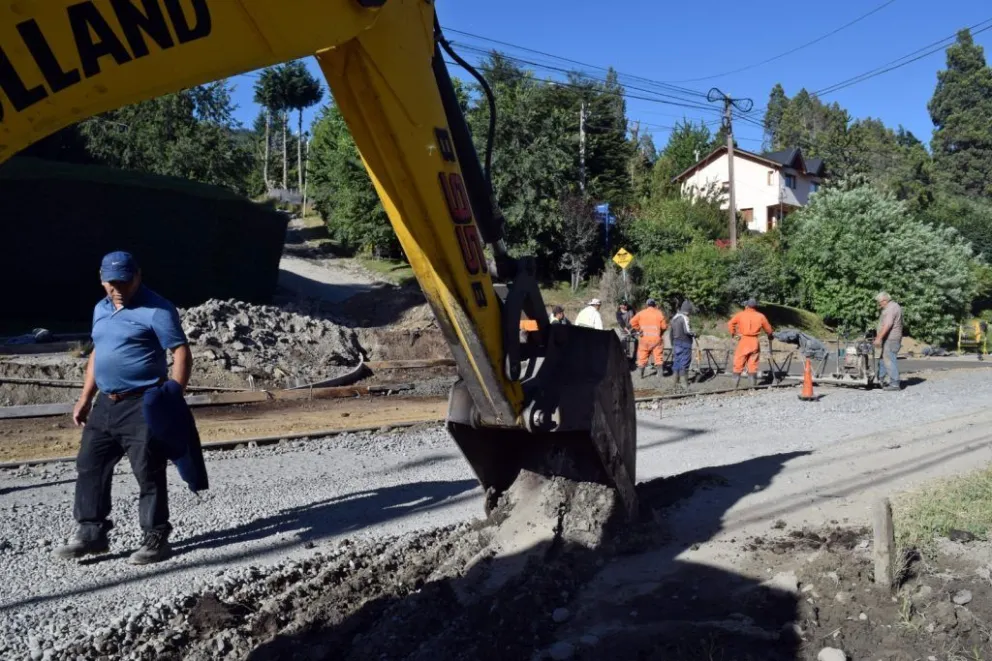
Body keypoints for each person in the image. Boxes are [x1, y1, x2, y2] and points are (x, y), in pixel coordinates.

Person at [55, 251, 192, 565]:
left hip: (144, 402)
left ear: (138, 276)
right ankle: (91, 533)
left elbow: (181, 353)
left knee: (148, 471)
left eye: (124, 281)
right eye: (111, 282)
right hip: (106, 403)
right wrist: (85, 398)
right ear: (101, 279)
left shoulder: (158, 310)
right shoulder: (100, 309)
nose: (117, 288)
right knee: (90, 465)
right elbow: (97, 355)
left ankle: (156, 538)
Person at [728, 298, 773, 388]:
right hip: (754, 342)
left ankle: (734, 387)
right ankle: (752, 387)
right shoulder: (760, 316)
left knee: (738, 364)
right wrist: (770, 336)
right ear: (755, 306)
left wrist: (734, 334)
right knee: (753, 365)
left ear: (746, 305)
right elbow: (769, 329)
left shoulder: (740, 315)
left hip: (743, 341)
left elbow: (730, 323)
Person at [630, 299, 668, 378]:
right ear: (654, 305)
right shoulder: (659, 313)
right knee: (658, 358)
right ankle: (660, 376)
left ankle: (641, 375)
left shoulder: (641, 313)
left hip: (644, 339)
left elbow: (632, 322)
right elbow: (664, 327)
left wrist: (639, 329)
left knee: (642, 357)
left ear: (647, 305)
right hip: (656, 339)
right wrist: (661, 332)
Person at [874, 292, 903, 391]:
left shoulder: (891, 308)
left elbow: (888, 324)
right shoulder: (892, 307)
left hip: (891, 338)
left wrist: (878, 338)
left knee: (889, 359)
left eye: (880, 302)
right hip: (888, 338)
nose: (879, 305)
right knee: (883, 359)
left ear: (885, 300)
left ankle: (895, 384)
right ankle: (879, 380)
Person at [670, 300, 696, 391]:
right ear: (688, 310)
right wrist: (694, 333)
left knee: (677, 362)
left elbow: (671, 333)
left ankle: (674, 384)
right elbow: (687, 331)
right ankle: (684, 385)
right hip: (685, 343)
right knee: (684, 363)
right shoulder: (684, 318)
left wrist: (672, 344)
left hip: (676, 343)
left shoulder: (674, 318)